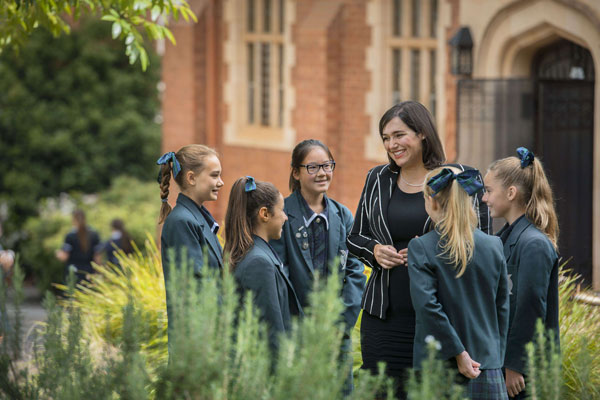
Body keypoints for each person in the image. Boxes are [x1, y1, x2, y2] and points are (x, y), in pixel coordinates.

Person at [346, 101, 489, 398]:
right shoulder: (377, 178)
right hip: (383, 319)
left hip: (442, 321)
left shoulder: (461, 177)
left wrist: (434, 254)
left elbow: (483, 245)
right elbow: (355, 237)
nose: (392, 144)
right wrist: (374, 251)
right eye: (386, 138)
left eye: (399, 135)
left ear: (422, 133)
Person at [270, 139, 366, 389]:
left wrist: (340, 322)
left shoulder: (343, 215)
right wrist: (301, 326)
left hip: (336, 334)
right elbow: (280, 274)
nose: (322, 173)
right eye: (312, 167)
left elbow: (355, 271)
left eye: (327, 165)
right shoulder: (282, 213)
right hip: (297, 334)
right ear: (296, 172)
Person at [408, 167, 509, 399]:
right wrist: (495, 355)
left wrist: (458, 353)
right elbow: (502, 307)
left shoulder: (421, 247)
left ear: (432, 202)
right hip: (487, 365)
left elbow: (428, 308)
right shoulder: (494, 245)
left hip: (440, 366)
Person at [482, 147, 560, 400]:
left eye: (489, 191)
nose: (484, 199)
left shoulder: (533, 244)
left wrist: (516, 365)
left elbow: (530, 307)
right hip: (503, 363)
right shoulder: (505, 238)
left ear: (511, 193)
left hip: (525, 373)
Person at [225, 176, 302, 351]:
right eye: (281, 211)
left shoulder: (258, 254)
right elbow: (270, 334)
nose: (285, 218)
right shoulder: (259, 262)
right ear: (265, 214)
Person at [157, 145, 224, 336]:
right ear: (192, 178)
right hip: (196, 343)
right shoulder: (182, 222)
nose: (221, 182)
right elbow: (198, 289)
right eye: (214, 175)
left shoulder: (197, 218)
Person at [55, 209, 101, 283]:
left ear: (73, 219)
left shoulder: (70, 236)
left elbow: (64, 257)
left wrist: (58, 254)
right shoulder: (94, 234)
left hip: (74, 272)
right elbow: (98, 258)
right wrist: (98, 272)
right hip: (89, 272)